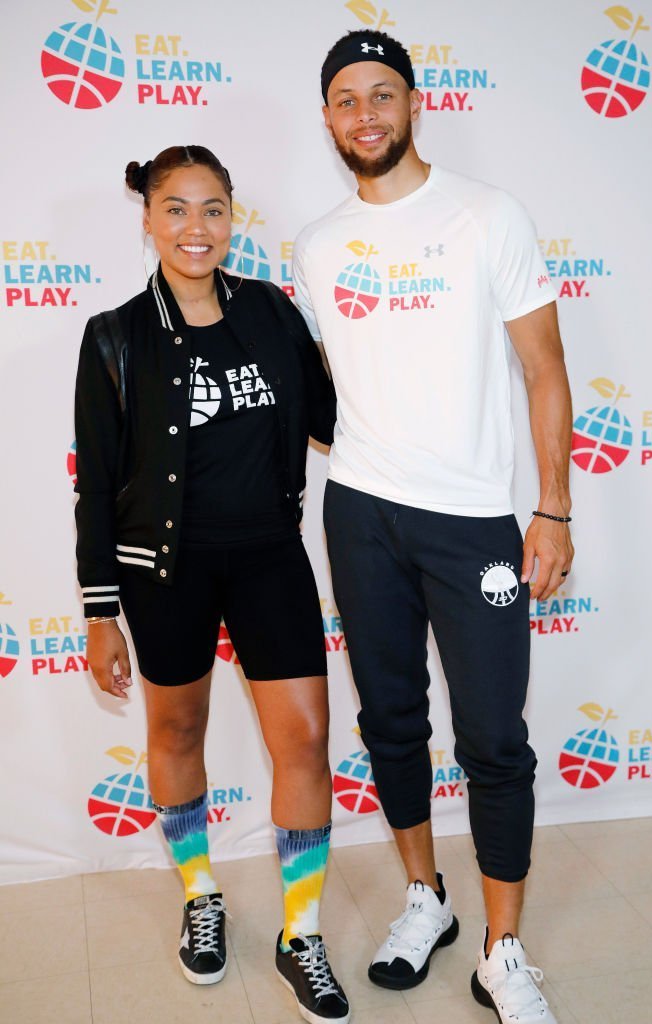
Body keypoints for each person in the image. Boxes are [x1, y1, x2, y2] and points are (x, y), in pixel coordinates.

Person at [292, 31, 574, 1024]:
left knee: (494, 738)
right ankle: (427, 898)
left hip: (472, 522)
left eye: (380, 94)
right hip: (361, 513)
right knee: (391, 723)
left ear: (413, 104)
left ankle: (504, 949)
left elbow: (542, 368)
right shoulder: (316, 245)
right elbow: (333, 386)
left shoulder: (486, 216)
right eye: (342, 99)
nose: (363, 114)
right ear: (326, 117)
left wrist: (551, 507)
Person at [75, 145, 350, 1024]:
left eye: (213, 209)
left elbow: (334, 417)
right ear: (149, 220)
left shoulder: (269, 311)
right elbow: (96, 484)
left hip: (269, 554)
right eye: (177, 209)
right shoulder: (114, 335)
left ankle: (299, 934)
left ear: (234, 217)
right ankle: (201, 896)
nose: (197, 228)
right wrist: (98, 611)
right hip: (165, 569)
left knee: (304, 743)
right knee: (177, 727)